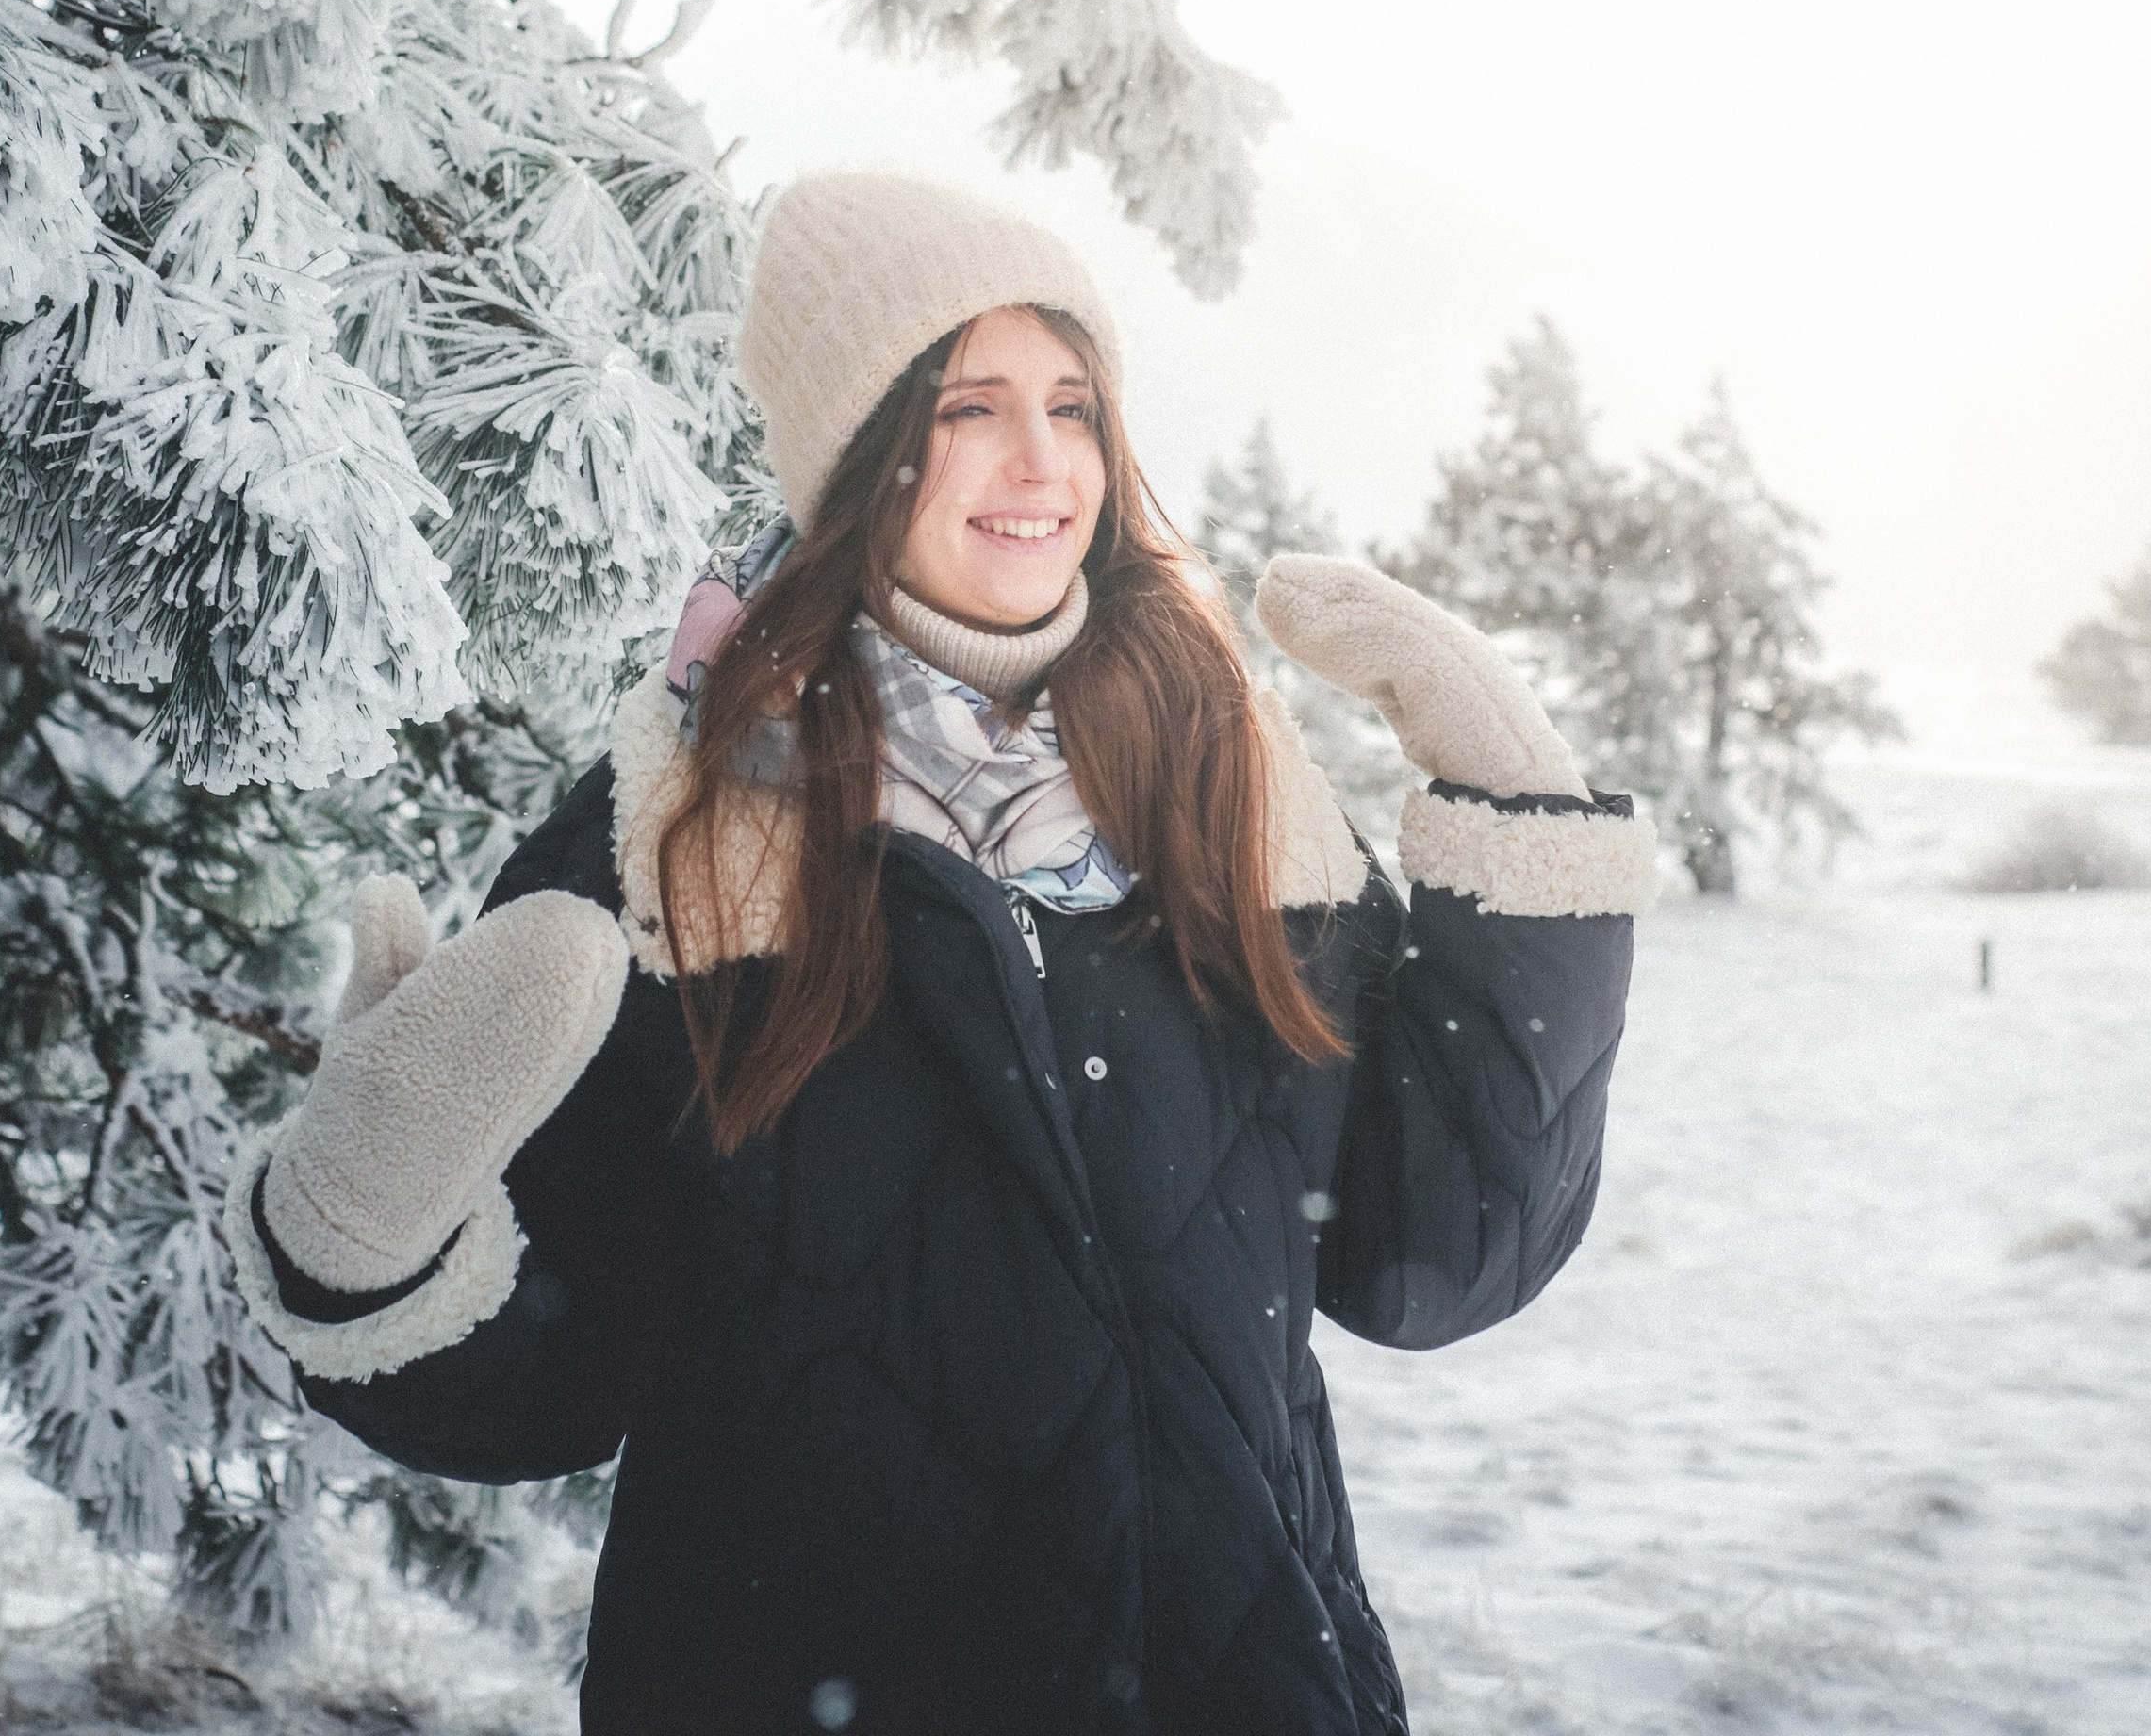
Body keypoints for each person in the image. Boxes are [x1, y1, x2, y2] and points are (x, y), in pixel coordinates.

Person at [224, 172, 1650, 1736]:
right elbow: (561, 1383)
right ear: (859, 451)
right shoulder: (676, 843)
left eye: (1075, 404)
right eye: (972, 404)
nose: (1044, 462)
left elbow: (1430, 1249)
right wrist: (363, 1245)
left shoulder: (1224, 787)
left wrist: (1524, 831)